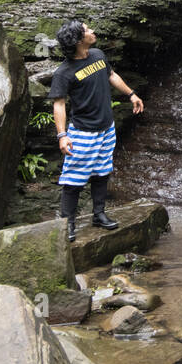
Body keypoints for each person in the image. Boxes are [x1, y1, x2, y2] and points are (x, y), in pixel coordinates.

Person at [49, 19, 144, 243]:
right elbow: (59, 104)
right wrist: (62, 135)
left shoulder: (98, 55)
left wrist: (131, 94)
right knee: (74, 179)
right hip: (83, 132)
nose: (92, 31)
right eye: (87, 30)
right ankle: (67, 223)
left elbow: (112, 76)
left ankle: (98, 215)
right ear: (79, 40)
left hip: (106, 127)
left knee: (102, 171)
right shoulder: (64, 73)